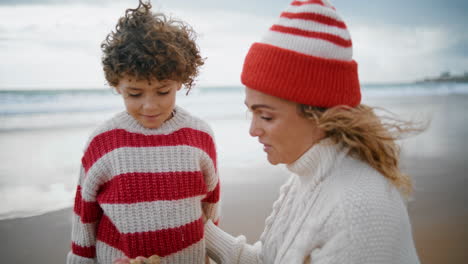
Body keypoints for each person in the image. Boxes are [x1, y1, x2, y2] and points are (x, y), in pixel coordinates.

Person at [117, 0, 422, 263]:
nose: (252, 130)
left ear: (323, 115)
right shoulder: (310, 176)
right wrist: (188, 218)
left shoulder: (356, 211)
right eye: (250, 111)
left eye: (265, 115)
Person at [66, 1, 220, 263]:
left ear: (180, 81)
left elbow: (211, 205)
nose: (150, 106)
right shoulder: (104, 142)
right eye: (135, 93)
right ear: (117, 85)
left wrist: (213, 255)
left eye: (163, 91)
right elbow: (85, 216)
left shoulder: (199, 135)